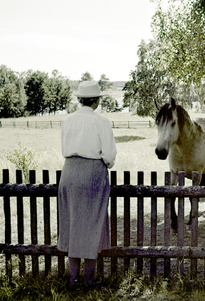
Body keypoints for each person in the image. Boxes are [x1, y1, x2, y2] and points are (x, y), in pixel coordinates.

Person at [57, 80, 117, 288]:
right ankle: (89, 280)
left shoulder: (67, 121)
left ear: (80, 99)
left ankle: (73, 279)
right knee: (92, 225)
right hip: (92, 174)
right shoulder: (101, 122)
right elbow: (109, 156)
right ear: (96, 101)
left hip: (69, 172)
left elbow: (64, 147)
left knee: (73, 225)